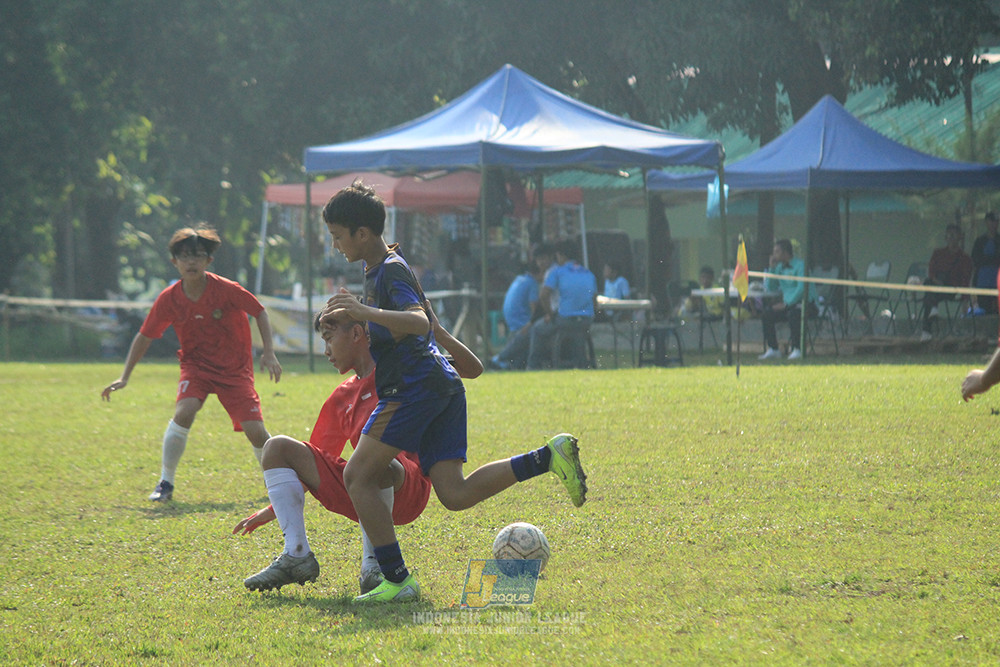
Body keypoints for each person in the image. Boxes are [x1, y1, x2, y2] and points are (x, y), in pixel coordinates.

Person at [320, 180, 587, 603]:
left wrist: (360, 310)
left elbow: (419, 322)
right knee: (454, 493)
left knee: (357, 475)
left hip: (412, 388)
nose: (335, 245)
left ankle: (396, 578)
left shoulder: (388, 270)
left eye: (338, 236)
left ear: (362, 234)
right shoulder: (386, 265)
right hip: (439, 384)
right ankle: (546, 457)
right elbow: (430, 327)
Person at [236, 303, 483, 594]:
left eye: (329, 338)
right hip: (360, 485)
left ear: (356, 333)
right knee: (276, 447)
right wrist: (271, 510)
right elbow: (314, 460)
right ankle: (296, 555)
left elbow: (472, 368)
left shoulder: (405, 370)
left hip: (408, 487)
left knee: (374, 465)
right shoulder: (342, 396)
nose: (326, 350)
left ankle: (374, 567)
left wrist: (437, 332)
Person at [102, 225, 282, 501]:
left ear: (208, 260)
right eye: (184, 257)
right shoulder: (170, 298)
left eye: (197, 256)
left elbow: (259, 312)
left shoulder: (226, 289)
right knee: (184, 411)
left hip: (234, 369)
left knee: (255, 430)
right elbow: (144, 335)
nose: (191, 262)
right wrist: (124, 376)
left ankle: (279, 484)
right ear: (174, 262)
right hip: (196, 367)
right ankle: (165, 483)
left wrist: (268, 352)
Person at [526, 239, 599, 370]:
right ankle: (581, 362)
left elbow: (543, 295)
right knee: (577, 333)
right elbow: (594, 300)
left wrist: (550, 314)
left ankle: (533, 366)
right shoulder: (588, 273)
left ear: (561, 255)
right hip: (585, 321)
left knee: (537, 328)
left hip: (565, 320)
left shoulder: (557, 272)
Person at [490, 244, 553, 370]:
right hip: (520, 325)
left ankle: (501, 360)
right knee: (531, 330)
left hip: (511, 323)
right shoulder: (533, 284)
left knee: (527, 337)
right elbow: (534, 308)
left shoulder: (520, 278)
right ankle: (502, 359)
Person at [758, 239, 816, 361]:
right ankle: (774, 349)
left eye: (777, 251)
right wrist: (772, 268)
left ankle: (797, 349)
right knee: (767, 313)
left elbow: (801, 289)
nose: (774, 255)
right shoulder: (779, 268)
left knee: (794, 314)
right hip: (788, 305)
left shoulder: (800, 266)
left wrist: (786, 304)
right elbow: (771, 287)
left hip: (807, 304)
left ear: (786, 253)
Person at [920, 223, 973, 341]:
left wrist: (965, 299)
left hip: (951, 290)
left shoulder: (965, 259)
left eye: (953, 236)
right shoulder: (938, 253)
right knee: (929, 286)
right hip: (935, 285)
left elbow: (965, 280)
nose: (950, 239)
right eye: (948, 236)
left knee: (929, 295)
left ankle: (926, 330)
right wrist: (937, 282)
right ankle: (930, 318)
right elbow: (931, 271)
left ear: (959, 237)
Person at [970, 212, 1000, 314]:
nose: (994, 224)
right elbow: (975, 261)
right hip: (982, 282)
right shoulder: (980, 241)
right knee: (984, 309)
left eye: (996, 221)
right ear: (986, 223)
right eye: (991, 221)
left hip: (997, 281)